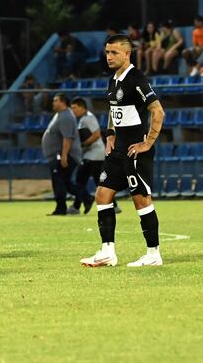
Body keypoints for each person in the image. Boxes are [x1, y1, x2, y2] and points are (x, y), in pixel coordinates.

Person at [81, 34, 165, 268]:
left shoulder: (136, 79)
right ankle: (107, 252)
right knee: (102, 195)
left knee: (141, 200)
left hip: (135, 151)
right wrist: (110, 134)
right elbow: (113, 110)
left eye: (114, 52)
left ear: (127, 54)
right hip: (118, 150)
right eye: (107, 52)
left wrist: (148, 143)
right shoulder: (113, 80)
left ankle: (153, 254)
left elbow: (158, 111)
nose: (109, 56)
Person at [69, 98, 119, 214]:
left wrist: (83, 144)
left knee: (90, 181)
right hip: (90, 155)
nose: (73, 110)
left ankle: (77, 206)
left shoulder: (89, 118)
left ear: (82, 107)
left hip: (95, 155)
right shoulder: (84, 119)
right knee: (84, 181)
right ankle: (76, 206)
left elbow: (96, 135)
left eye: (75, 108)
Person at [42, 93, 83, 216]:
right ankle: (84, 198)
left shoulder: (66, 116)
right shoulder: (60, 115)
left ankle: (62, 207)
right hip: (58, 155)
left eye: (56, 100)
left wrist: (64, 156)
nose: (53, 102)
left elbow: (68, 138)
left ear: (63, 102)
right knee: (63, 182)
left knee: (59, 181)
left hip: (65, 155)